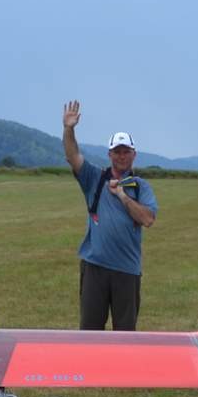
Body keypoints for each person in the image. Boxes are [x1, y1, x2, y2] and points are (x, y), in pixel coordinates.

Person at [61, 101, 157, 330]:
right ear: (109, 154)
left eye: (126, 152)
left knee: (125, 335)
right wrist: (68, 129)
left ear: (134, 155)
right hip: (95, 267)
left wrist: (122, 196)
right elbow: (73, 156)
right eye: (117, 152)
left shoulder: (141, 187)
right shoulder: (94, 178)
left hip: (127, 271)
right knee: (90, 332)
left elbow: (147, 219)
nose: (121, 156)